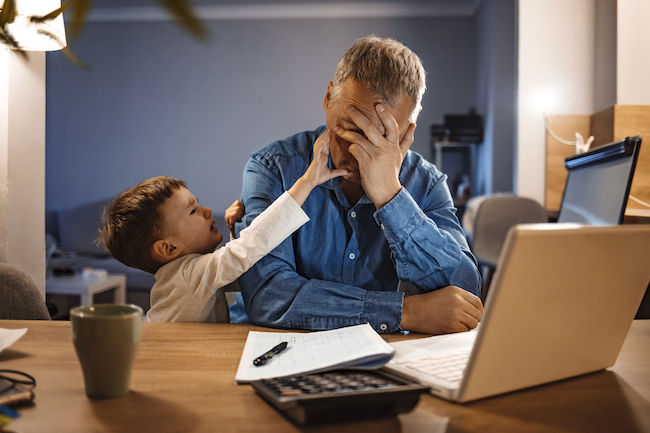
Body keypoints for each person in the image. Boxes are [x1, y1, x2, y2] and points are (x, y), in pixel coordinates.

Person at [235, 35, 483, 335]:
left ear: (407, 133)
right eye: (350, 130)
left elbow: (465, 292)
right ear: (328, 98)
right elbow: (268, 294)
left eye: (381, 140)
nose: (360, 154)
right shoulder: (273, 167)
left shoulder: (426, 182)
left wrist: (391, 197)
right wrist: (404, 311)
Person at [97, 133, 346, 322]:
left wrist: (234, 231)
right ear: (169, 247)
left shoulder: (187, 274)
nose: (206, 212)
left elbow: (242, 272)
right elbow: (249, 249)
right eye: (193, 210)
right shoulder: (187, 275)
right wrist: (307, 181)